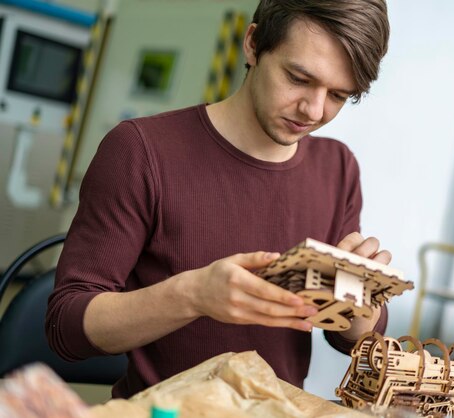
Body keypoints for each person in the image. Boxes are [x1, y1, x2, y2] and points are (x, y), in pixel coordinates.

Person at [46, 0, 391, 398]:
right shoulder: (140, 150)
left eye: (338, 95)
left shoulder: (338, 167)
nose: (313, 110)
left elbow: (348, 337)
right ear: (253, 43)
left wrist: (358, 304)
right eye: (298, 78)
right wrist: (193, 295)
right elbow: (66, 327)